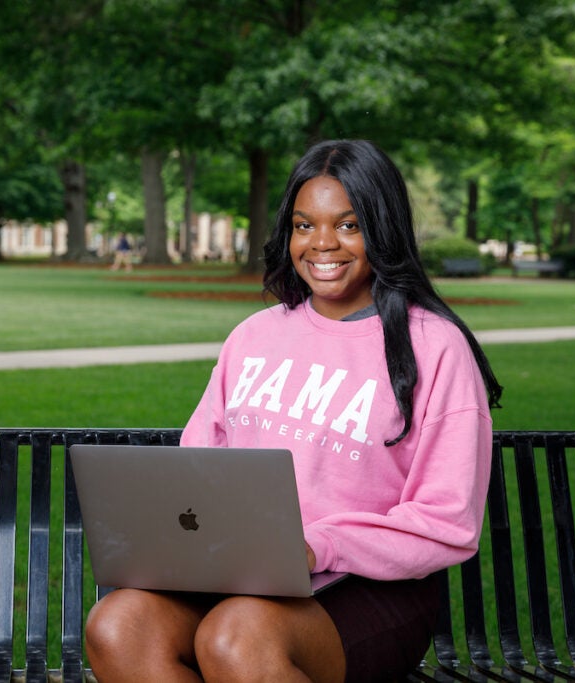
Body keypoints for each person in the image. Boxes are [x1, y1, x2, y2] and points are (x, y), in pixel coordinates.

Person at [84, 139, 503, 682]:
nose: (322, 243)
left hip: (367, 587)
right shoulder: (253, 336)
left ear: (384, 228)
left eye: (349, 225)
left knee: (235, 637)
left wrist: (315, 547)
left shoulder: (435, 347)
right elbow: (197, 464)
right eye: (305, 225)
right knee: (118, 625)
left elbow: (448, 521)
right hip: (239, 575)